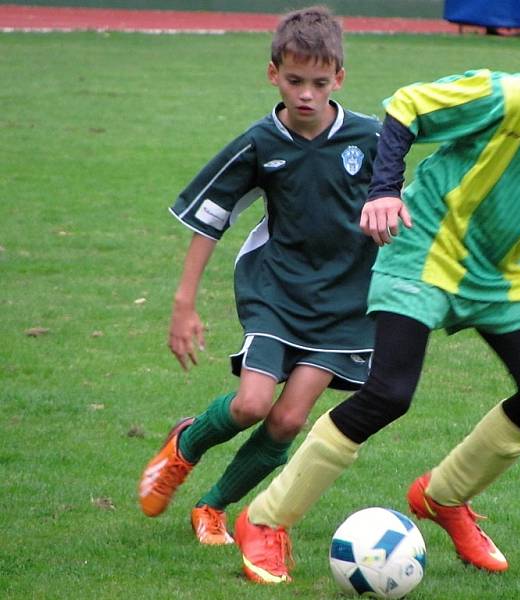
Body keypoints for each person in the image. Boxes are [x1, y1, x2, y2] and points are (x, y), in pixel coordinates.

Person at [232, 4, 520, 584]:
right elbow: (405, 108)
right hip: (424, 250)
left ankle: (443, 496)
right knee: (388, 394)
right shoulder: (506, 97)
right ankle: (265, 519)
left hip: (498, 272)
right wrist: (384, 191)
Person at [138, 6, 381, 546]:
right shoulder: (260, 142)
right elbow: (210, 218)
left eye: (320, 83)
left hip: (346, 304)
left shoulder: (371, 138)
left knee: (289, 420)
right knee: (251, 404)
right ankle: (186, 444)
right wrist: (184, 302)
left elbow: (403, 197)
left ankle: (213, 505)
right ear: (274, 73)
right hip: (277, 291)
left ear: (339, 78)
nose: (307, 95)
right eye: (295, 81)